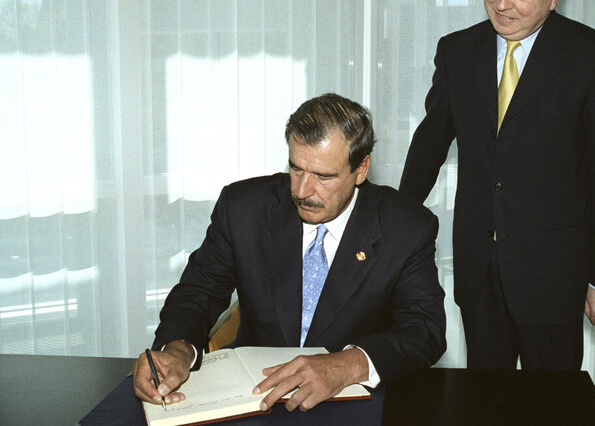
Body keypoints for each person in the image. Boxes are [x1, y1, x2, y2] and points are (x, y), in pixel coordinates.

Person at [399, 0, 595, 371]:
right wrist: (390, 224)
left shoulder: (594, 57)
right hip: (477, 265)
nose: (502, 3)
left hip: (553, 271)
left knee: (551, 404)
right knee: (485, 399)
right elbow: (430, 142)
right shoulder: (457, 50)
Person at [133, 93, 446, 413]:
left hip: (352, 400)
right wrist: (178, 348)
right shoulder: (244, 208)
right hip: (255, 393)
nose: (302, 191)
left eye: (323, 177)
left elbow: (425, 330)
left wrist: (347, 364)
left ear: (361, 169)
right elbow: (198, 292)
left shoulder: (405, 227)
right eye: (296, 169)